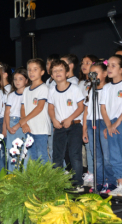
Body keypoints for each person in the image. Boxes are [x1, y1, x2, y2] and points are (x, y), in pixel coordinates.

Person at [100, 55, 122, 197]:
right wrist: (109, 125)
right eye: (108, 65)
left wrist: (117, 122)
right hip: (111, 124)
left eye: (113, 65)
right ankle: (120, 184)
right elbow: (103, 107)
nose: (109, 68)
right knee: (114, 155)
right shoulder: (106, 87)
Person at [48, 59, 84, 192]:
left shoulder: (74, 89)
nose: (57, 73)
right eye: (54, 71)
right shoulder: (52, 90)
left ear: (67, 72)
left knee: (74, 154)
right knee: (57, 155)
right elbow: (50, 108)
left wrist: (70, 119)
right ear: (51, 75)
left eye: (60, 70)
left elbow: (81, 107)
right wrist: (53, 120)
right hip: (59, 127)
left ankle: (78, 183)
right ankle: (56, 182)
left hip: (74, 125)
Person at [83, 61, 117, 194]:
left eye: (96, 73)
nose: (93, 76)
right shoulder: (91, 89)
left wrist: (108, 125)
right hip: (92, 123)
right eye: (91, 73)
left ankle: (111, 181)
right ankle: (99, 181)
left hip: (103, 122)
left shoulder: (108, 88)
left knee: (107, 155)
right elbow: (86, 110)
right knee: (95, 154)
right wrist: (84, 128)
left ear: (104, 74)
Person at [12, 58, 51, 163]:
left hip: (40, 129)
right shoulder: (26, 90)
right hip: (29, 128)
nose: (31, 72)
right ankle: (35, 179)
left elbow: (39, 107)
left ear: (42, 72)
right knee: (32, 156)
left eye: (35, 69)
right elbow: (23, 107)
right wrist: (24, 124)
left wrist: (23, 120)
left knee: (42, 155)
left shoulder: (43, 88)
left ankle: (46, 179)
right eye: (29, 70)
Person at [78, 54, 99, 187]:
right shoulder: (81, 83)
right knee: (87, 148)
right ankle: (90, 172)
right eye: (83, 63)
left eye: (88, 62)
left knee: (95, 149)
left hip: (94, 119)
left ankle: (97, 174)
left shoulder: (97, 83)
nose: (84, 65)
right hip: (83, 120)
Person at [5, 67, 30, 171]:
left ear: (26, 80)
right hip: (11, 122)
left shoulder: (28, 94)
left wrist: (18, 125)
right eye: (15, 79)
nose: (17, 81)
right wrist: (8, 127)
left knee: (23, 151)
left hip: (22, 123)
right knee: (12, 151)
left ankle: (23, 176)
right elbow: (7, 112)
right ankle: (11, 175)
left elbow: (25, 112)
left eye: (20, 79)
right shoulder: (11, 95)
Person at [0, 62, 12, 138]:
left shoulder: (8, 89)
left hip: (3, 121)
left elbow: (7, 110)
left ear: (5, 75)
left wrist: (4, 128)